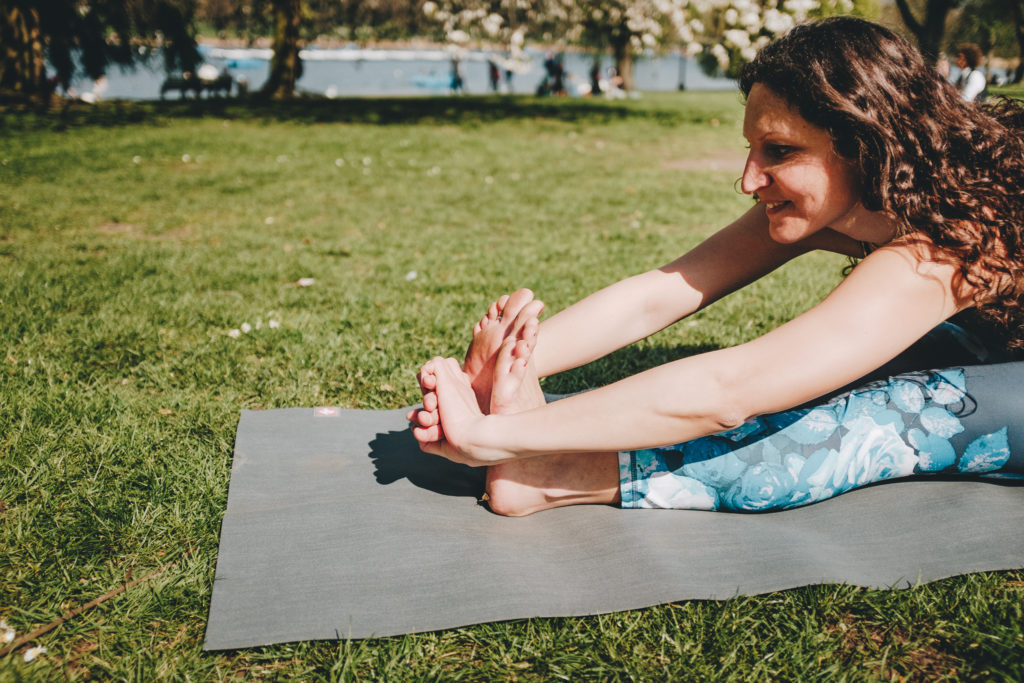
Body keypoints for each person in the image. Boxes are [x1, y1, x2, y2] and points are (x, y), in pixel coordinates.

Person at [408, 17, 1024, 516]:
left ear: (865, 143)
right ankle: (542, 446)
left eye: (779, 152)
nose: (750, 179)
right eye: (751, 148)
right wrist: (512, 363)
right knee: (821, 372)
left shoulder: (964, 232)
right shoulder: (851, 191)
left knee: (894, 409)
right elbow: (664, 292)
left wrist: (488, 438)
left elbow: (732, 391)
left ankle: (565, 474)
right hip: (992, 342)